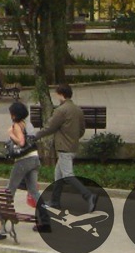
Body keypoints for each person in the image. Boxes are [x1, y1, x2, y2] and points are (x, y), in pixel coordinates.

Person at [34, 84, 96, 213]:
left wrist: (36, 136)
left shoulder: (61, 110)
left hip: (64, 147)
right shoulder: (77, 110)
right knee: (58, 175)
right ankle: (55, 201)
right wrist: (73, 138)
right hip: (73, 146)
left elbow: (50, 127)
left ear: (61, 94)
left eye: (57, 93)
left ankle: (89, 196)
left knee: (67, 175)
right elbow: (82, 130)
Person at [5, 100, 51, 233]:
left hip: (23, 161)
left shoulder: (16, 125)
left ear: (14, 114)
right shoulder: (28, 124)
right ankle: (45, 221)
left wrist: (11, 134)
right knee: (34, 191)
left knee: (9, 190)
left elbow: (21, 142)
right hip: (34, 159)